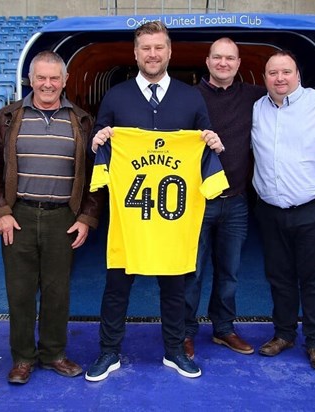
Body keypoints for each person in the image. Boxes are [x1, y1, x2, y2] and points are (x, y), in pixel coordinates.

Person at [84, 21, 225, 382]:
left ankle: (175, 350)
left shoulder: (191, 96)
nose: (152, 54)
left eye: (159, 47)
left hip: (172, 220)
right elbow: (98, 152)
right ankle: (109, 351)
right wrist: (98, 142)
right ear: (135, 53)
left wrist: (209, 141)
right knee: (116, 286)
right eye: (145, 48)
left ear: (169, 51)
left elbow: (204, 141)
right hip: (130, 219)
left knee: (175, 288)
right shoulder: (116, 96)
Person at [184, 37, 315, 359]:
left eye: (230, 58)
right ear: (208, 61)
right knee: (191, 272)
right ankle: (184, 332)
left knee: (229, 272)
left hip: (238, 202)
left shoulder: (256, 97)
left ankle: (223, 329)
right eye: (217, 57)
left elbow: (291, 95)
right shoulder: (187, 97)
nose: (223, 63)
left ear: (240, 64)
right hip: (197, 202)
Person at [0, 51, 103, 385]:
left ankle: (54, 354)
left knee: (57, 291)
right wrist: (0, 213)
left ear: (65, 81)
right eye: (40, 78)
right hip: (16, 217)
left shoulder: (83, 121)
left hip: (62, 217)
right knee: (19, 292)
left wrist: (86, 217)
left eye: (54, 78)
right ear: (30, 80)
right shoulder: (5, 118)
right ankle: (22, 358)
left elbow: (96, 175)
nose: (47, 84)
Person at [252, 50, 315, 371]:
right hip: (271, 211)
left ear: (298, 75)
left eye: (286, 72)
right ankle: (284, 334)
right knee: (279, 277)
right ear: (265, 77)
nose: (280, 78)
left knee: (313, 280)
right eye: (273, 73)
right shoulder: (258, 108)